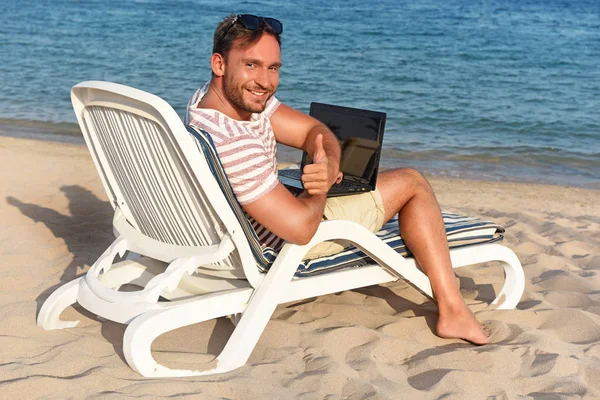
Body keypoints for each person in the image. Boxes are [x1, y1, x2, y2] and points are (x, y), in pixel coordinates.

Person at [186, 14, 489, 345]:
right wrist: (319, 189)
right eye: (252, 65)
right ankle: (453, 310)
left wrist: (327, 162)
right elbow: (301, 230)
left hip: (262, 216)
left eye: (273, 68)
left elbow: (313, 130)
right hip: (282, 241)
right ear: (219, 63)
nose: (265, 81)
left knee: (349, 169)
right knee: (412, 182)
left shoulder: (216, 100)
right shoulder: (235, 142)